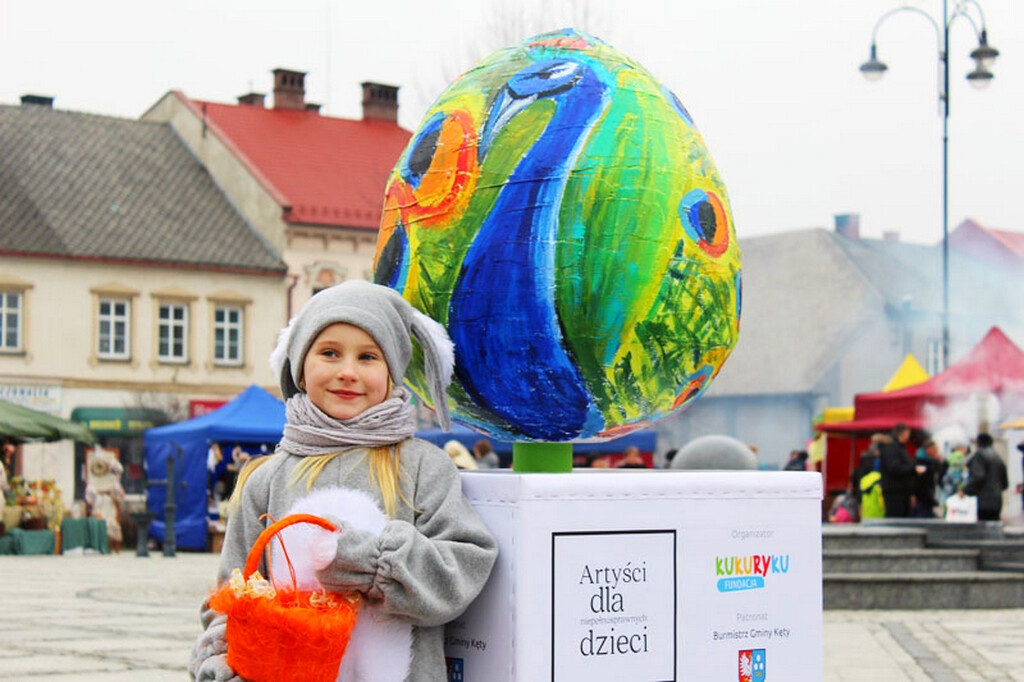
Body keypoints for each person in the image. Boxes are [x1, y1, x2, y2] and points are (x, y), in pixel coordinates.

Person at [188, 281, 498, 682]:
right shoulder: (265, 479)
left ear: (392, 372)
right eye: (329, 353)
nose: (347, 372)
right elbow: (232, 596)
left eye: (368, 357)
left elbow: (463, 567)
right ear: (300, 368)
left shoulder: (425, 467)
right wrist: (225, 658)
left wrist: (371, 563)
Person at [962, 432, 1009, 522]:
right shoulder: (997, 457)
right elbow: (1005, 483)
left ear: (978, 443)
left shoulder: (979, 456)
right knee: (994, 526)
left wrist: (965, 490)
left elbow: (978, 476)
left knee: (983, 527)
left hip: (983, 501)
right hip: (997, 500)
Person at [879, 423, 919, 518]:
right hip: (894, 491)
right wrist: (913, 469)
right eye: (908, 433)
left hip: (902, 491)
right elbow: (894, 468)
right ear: (903, 433)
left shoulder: (900, 447)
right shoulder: (890, 447)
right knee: (895, 518)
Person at [911, 439, 946, 518]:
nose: (937, 451)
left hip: (929, 498)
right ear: (929, 449)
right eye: (935, 449)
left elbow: (939, 471)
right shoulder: (919, 462)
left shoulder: (932, 461)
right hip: (921, 498)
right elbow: (916, 481)